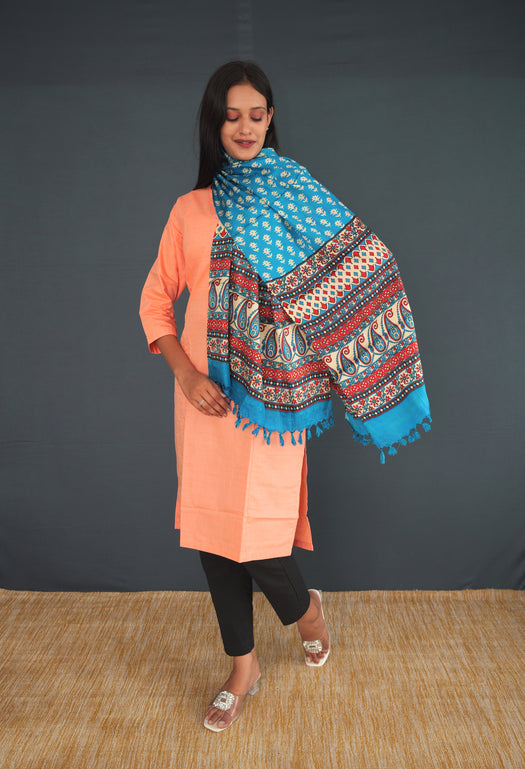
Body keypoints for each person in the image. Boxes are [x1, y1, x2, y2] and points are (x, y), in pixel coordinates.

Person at [139, 61, 430, 732]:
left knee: (260, 541)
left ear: (270, 119)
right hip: (203, 402)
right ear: (214, 124)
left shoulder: (299, 198)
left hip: (274, 403)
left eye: (256, 114)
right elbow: (155, 301)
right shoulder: (190, 211)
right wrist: (186, 376)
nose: (244, 127)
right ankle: (242, 667)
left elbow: (361, 273)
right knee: (214, 537)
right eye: (231, 116)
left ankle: (306, 612)